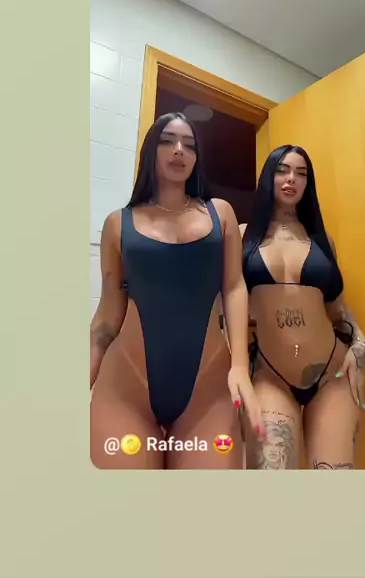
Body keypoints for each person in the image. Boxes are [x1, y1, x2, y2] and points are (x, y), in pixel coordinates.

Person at [90, 112, 264, 469]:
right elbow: (107, 317)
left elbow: (234, 287)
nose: (179, 150)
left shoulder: (220, 214)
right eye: (168, 140)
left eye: (189, 144)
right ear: (150, 151)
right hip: (126, 391)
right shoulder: (117, 224)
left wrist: (240, 367)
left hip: (208, 393)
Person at [240, 145, 365, 470]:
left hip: (333, 375)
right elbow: (227, 305)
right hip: (271, 376)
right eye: (283, 170)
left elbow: (336, 309)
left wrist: (360, 344)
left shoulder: (322, 239)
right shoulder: (243, 236)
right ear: (268, 176)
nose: (292, 179)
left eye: (301, 174)